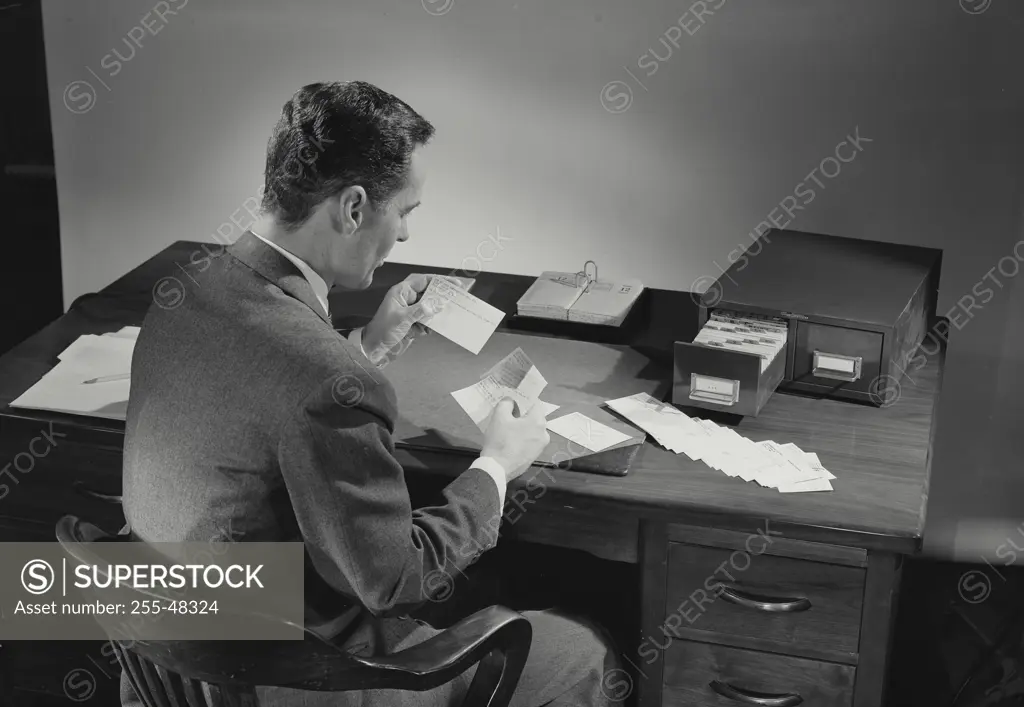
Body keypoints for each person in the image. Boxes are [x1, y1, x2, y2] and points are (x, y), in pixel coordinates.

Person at [120, 80, 620, 706]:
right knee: (585, 647)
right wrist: (498, 465)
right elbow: (394, 581)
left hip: (174, 665)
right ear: (354, 207)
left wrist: (364, 348)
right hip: (286, 681)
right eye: (406, 211)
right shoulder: (324, 380)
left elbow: (263, 387)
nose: (406, 235)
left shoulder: (180, 295)